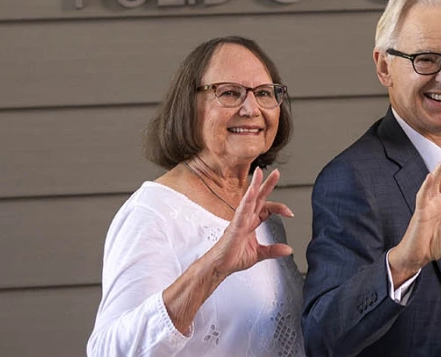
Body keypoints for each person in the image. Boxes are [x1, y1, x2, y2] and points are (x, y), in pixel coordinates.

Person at [302, 0, 441, 357]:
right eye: (426, 59)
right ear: (384, 66)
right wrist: (404, 262)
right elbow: (321, 335)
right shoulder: (350, 178)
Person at [88, 36, 304, 357]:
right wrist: (212, 269)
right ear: (189, 107)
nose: (251, 108)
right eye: (230, 93)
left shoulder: (254, 207)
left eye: (263, 93)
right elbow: (109, 351)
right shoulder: (153, 213)